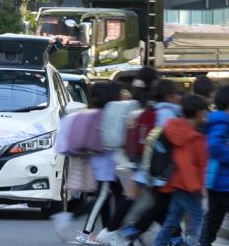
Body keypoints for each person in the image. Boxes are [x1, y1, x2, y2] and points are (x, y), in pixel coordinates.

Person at [52, 81, 123, 244]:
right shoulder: (108, 114)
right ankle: (84, 231)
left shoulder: (94, 112)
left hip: (101, 161)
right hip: (106, 163)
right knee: (103, 196)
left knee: (113, 195)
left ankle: (108, 231)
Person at [115, 79, 183, 246]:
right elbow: (171, 140)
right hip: (164, 169)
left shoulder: (150, 112)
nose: (178, 98)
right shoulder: (170, 113)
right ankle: (135, 230)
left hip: (149, 167)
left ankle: (174, 237)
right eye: (176, 95)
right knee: (162, 205)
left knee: (162, 205)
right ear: (169, 96)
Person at [154, 95, 209, 246]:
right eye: (205, 112)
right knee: (199, 218)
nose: (206, 115)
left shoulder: (180, 130)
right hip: (187, 186)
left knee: (172, 220)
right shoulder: (190, 136)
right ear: (198, 112)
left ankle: (159, 243)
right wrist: (196, 187)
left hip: (177, 183)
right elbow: (185, 163)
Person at [199, 85, 229, 246]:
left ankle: (204, 242)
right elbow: (215, 146)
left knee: (215, 216)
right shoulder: (222, 122)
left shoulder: (220, 121)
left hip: (217, 180)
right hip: (223, 180)